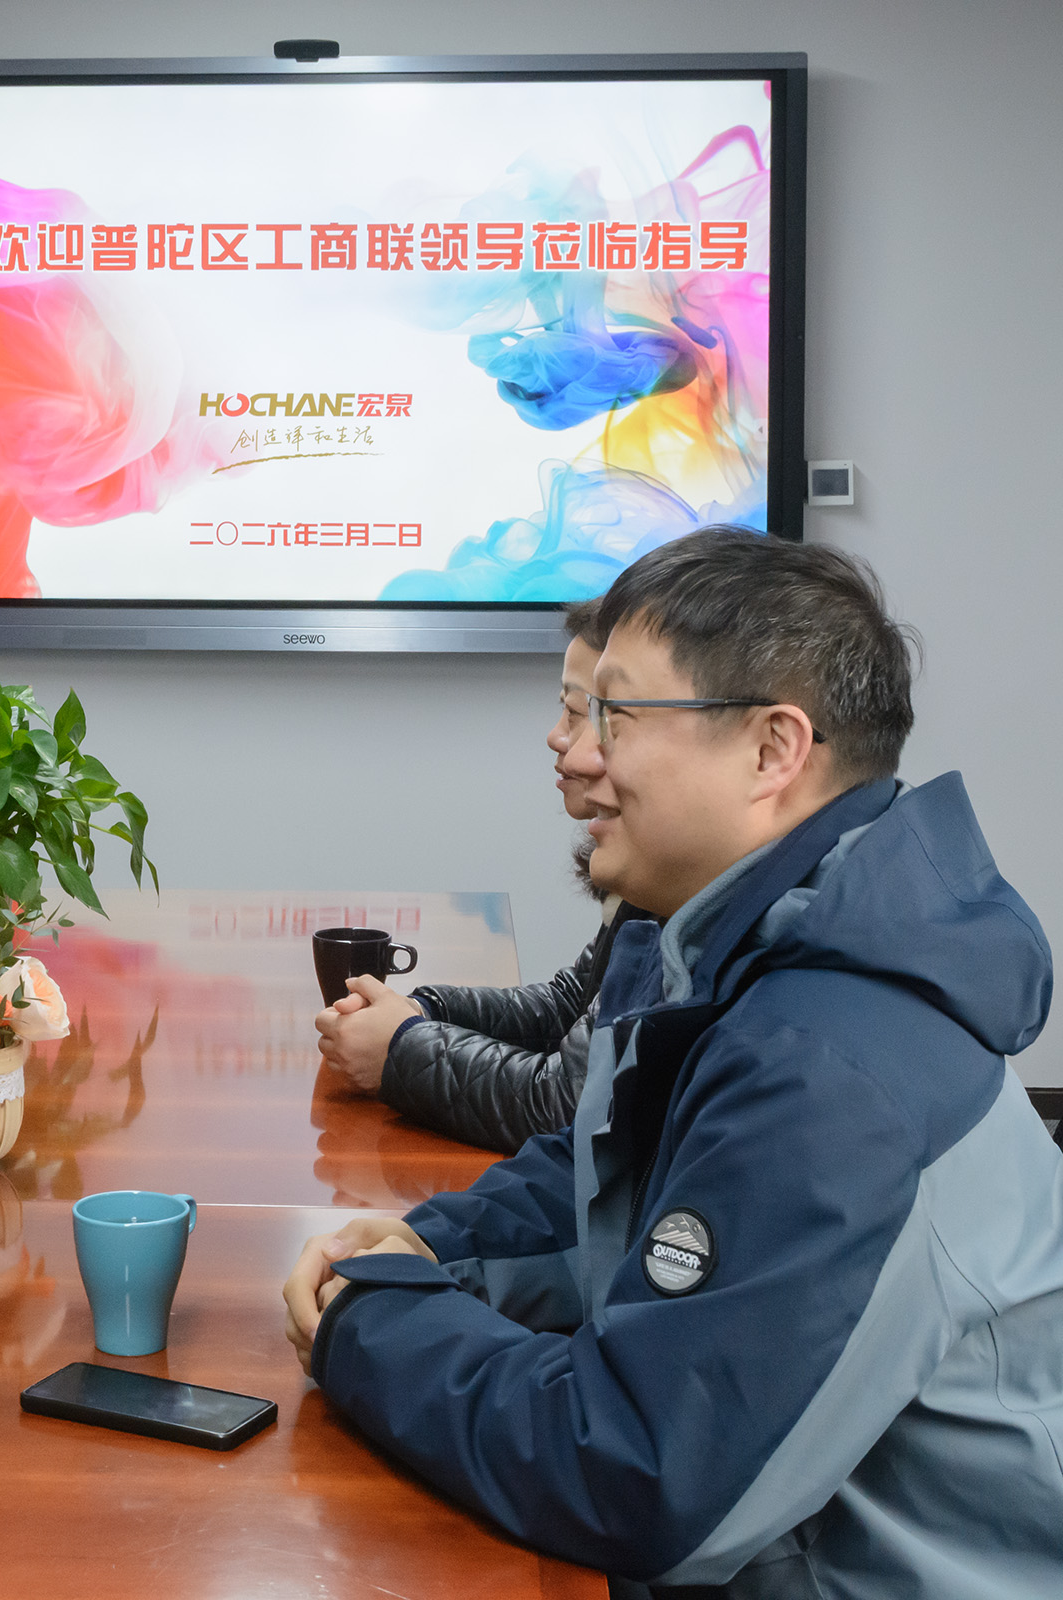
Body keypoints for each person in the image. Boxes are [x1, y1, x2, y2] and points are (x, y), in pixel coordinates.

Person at [283, 529, 1063, 1597]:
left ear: (773, 751)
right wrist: (429, 1246)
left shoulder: (830, 1068)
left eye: (615, 713)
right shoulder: (724, 945)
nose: (577, 753)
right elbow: (606, 1177)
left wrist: (371, 1326)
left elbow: (640, 1475)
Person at [315, 600, 646, 1152]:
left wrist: (401, 1049)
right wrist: (424, 1012)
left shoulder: (675, 894)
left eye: (582, 713)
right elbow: (571, 1007)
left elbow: (565, 1106)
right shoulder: (652, 886)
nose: (561, 741)